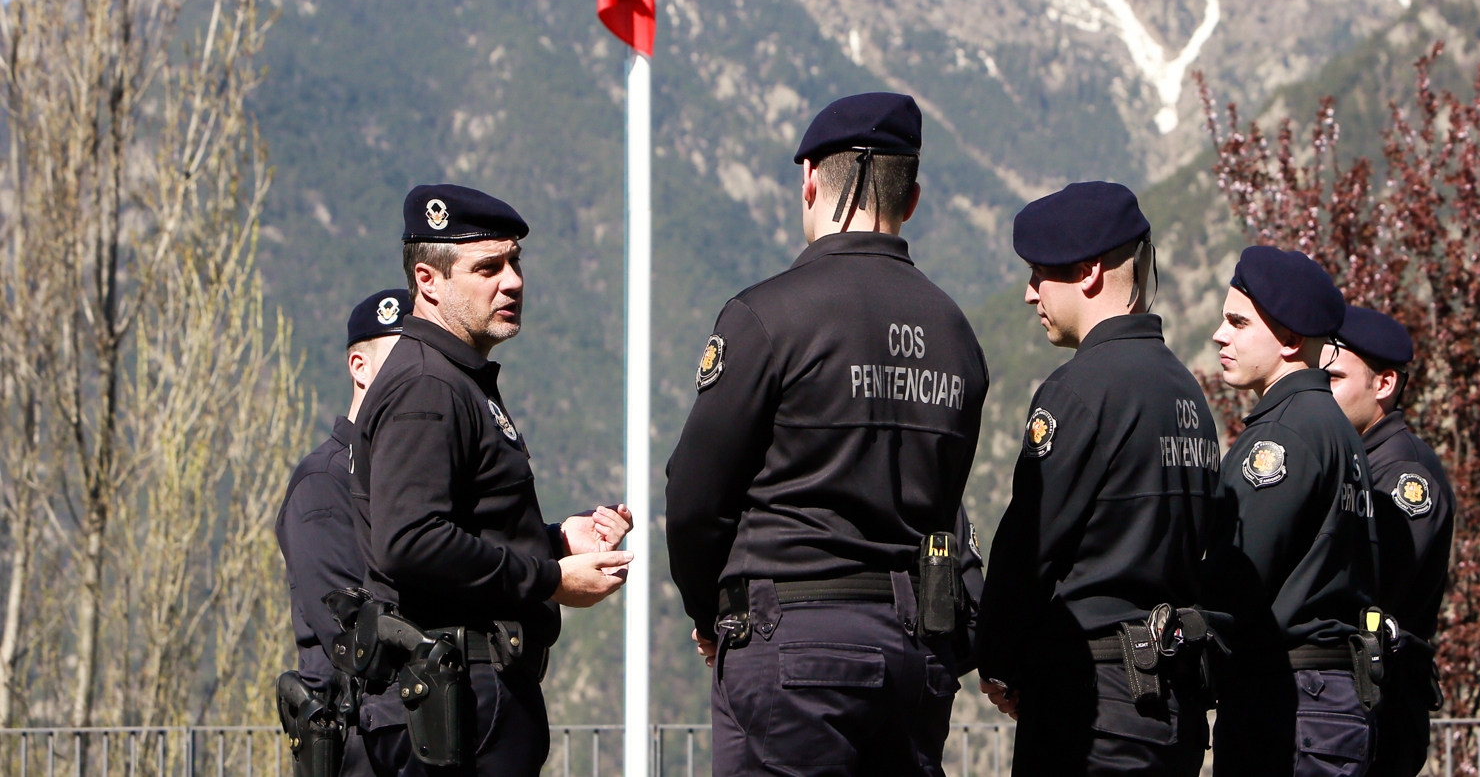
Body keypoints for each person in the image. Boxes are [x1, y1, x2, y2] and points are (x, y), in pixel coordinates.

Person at [664, 92, 990, 777]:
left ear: (810, 178)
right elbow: (946, 509)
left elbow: (695, 495)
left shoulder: (766, 317)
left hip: (792, 641)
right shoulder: (956, 334)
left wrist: (709, 612)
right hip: (913, 650)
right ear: (915, 197)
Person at [351, 185, 634, 777]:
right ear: (428, 280)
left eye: (514, 263)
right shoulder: (427, 386)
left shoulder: (455, 380)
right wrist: (550, 578)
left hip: (472, 696)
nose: (512, 282)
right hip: (455, 702)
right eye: (487, 268)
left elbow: (463, 526)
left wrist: (557, 539)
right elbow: (411, 540)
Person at [976, 181, 1220, 777]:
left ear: (1087, 273)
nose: (1030, 294)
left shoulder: (1080, 391)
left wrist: (997, 659)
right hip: (1173, 705)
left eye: (1040, 274)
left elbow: (1028, 548)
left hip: (1092, 706)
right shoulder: (1187, 393)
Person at [1204, 247, 1379, 777]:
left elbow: (1234, 582)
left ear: (1288, 340)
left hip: (1289, 703)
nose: (1219, 334)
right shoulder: (1335, 427)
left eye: (1237, 322)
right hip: (1328, 700)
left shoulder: (1283, 436)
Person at [276, 289, 408, 777]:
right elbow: (351, 631)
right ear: (359, 367)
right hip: (358, 742)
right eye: (398, 362)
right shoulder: (325, 481)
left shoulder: (401, 478)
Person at [1325, 308, 1455, 777]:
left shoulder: (1403, 474)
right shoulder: (1356, 460)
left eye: (1335, 377)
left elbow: (1374, 585)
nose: (1323, 391)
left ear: (1383, 385)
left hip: (1380, 703)